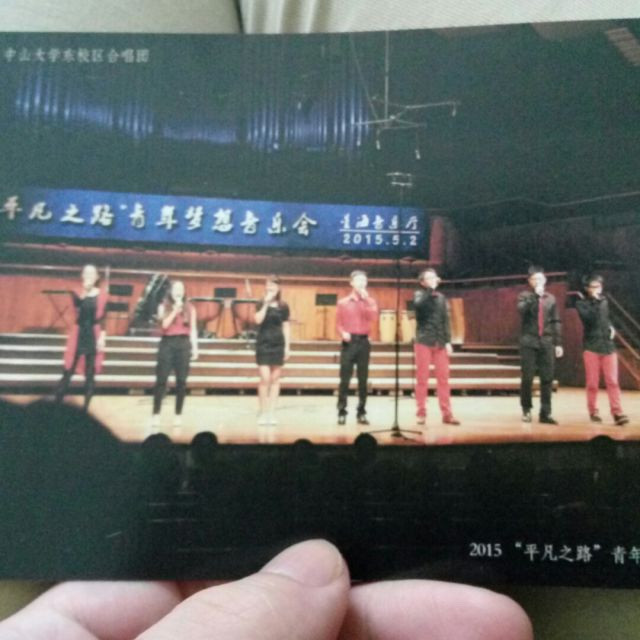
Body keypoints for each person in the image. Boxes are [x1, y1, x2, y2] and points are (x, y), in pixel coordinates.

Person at [576, 274, 629, 426]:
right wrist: (595, 301)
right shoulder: (581, 304)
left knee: (612, 381)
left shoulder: (604, 302)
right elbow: (590, 320)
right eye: (593, 287)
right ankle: (593, 411)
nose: (597, 289)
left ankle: (617, 412)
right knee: (592, 383)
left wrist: (611, 327)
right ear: (587, 289)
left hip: (608, 346)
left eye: (599, 286)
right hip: (591, 346)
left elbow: (605, 318)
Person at [54, 264, 107, 412]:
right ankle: (56, 406)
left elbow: (103, 317)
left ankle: (85, 409)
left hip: (93, 333)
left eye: (92, 273)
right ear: (82, 276)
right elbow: (78, 309)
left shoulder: (103, 295)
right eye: (86, 273)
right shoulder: (77, 292)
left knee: (90, 373)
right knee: (68, 370)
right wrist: (86, 291)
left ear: (97, 277)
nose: (89, 276)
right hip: (79, 333)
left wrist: (103, 336)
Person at [413, 268, 460, 426]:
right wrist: (430, 290)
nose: (433, 279)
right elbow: (419, 306)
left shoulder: (441, 297)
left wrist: (448, 341)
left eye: (434, 277)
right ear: (422, 282)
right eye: (429, 278)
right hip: (424, 341)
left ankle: (447, 414)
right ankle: (421, 413)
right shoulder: (419, 295)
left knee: (443, 379)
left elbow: (445, 321)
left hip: (440, 342)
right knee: (422, 378)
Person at [517, 266, 563, 424]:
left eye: (540, 279)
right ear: (529, 281)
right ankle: (526, 409)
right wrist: (535, 297)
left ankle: (545, 413)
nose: (538, 281)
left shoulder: (551, 298)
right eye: (535, 279)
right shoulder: (524, 296)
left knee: (547, 378)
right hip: (529, 341)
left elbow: (556, 321)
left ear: (545, 280)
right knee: (527, 377)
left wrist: (558, 343)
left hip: (547, 341)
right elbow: (522, 311)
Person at [151, 280, 198, 430]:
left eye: (181, 289)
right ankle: (156, 413)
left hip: (183, 344)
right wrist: (174, 311)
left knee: (181, 381)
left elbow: (193, 329)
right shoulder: (163, 306)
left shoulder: (190, 308)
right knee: (161, 380)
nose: (179, 291)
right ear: (171, 291)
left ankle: (178, 414)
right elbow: (164, 325)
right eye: (176, 289)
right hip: (167, 343)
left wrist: (195, 347)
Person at [335, 270, 378, 426]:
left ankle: (361, 412)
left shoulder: (370, 301)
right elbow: (338, 324)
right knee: (344, 379)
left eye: (364, 280)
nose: (361, 283)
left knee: (363, 379)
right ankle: (341, 411)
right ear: (351, 283)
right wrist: (343, 333)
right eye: (358, 280)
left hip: (364, 342)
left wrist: (366, 301)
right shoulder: (343, 302)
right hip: (349, 342)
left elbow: (373, 318)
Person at [254, 275, 291, 425]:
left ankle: (271, 413)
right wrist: (266, 303)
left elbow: (286, 326)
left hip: (278, 344)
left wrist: (287, 346)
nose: (271, 288)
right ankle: (263, 412)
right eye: (268, 285)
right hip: (263, 344)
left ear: (278, 288)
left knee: (275, 380)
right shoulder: (260, 303)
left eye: (274, 285)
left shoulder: (283, 306)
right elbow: (258, 320)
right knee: (265, 378)